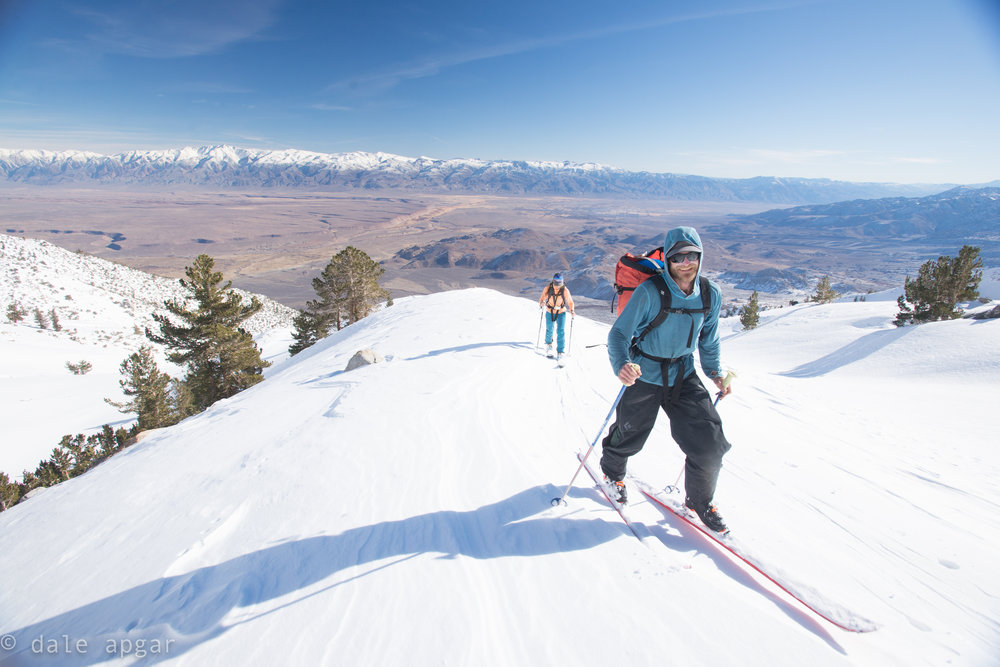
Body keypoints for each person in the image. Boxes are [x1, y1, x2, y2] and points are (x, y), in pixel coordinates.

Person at [600, 226, 733, 533]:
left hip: (683, 374)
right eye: (677, 257)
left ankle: (699, 501)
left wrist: (715, 374)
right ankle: (611, 473)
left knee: (710, 444)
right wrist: (622, 364)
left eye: (691, 256)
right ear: (668, 259)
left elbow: (708, 340)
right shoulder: (650, 292)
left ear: (700, 256)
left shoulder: (710, 294)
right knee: (629, 433)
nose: (685, 263)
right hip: (644, 371)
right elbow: (619, 334)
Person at [538, 273, 575, 362]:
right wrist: (542, 303)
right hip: (550, 311)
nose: (558, 286)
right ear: (553, 281)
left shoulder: (565, 290)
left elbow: (570, 302)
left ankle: (560, 352)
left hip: (561, 312)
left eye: (560, 283)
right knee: (549, 329)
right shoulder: (548, 288)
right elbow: (542, 298)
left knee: (560, 331)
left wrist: (572, 310)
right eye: (556, 283)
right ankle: (548, 345)